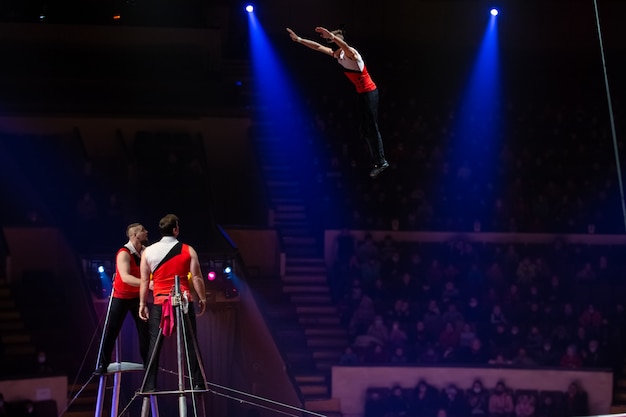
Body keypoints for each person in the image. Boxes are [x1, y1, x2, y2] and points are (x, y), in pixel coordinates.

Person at [286, 26, 389, 178]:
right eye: (329, 40)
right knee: (365, 130)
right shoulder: (338, 54)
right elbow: (318, 47)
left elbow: (347, 48)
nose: (330, 43)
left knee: (372, 127)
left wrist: (333, 37)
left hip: (370, 93)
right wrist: (299, 40)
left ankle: (381, 161)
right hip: (361, 93)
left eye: (332, 40)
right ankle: (374, 159)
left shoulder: (351, 53)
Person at [139, 214, 207, 392]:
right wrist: (203, 298)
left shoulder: (148, 252)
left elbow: (145, 281)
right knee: (190, 342)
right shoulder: (188, 250)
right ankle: (198, 382)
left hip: (160, 301)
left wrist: (142, 304)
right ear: (175, 229)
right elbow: (197, 277)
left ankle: (149, 384)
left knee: (154, 344)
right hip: (183, 301)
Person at [95, 223, 150, 375]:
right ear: (134, 235)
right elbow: (125, 277)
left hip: (138, 296)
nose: (146, 232)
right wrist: (148, 283)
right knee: (112, 331)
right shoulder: (124, 253)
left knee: (145, 331)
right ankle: (103, 364)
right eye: (143, 230)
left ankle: (148, 363)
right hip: (121, 296)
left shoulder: (145, 252)